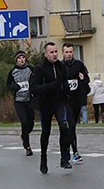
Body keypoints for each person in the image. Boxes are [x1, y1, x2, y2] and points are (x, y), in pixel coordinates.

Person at [30, 42, 73, 174]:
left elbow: (64, 81)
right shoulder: (39, 68)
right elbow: (33, 88)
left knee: (64, 127)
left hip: (59, 103)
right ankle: (43, 159)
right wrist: (49, 87)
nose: (54, 55)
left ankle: (64, 158)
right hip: (45, 105)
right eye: (52, 52)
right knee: (46, 133)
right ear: (46, 54)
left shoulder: (61, 66)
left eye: (56, 52)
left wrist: (66, 91)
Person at [61, 43, 89, 163]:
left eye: (71, 52)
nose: (69, 54)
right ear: (63, 53)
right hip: (65, 100)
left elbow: (87, 80)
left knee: (73, 126)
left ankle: (70, 147)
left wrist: (83, 78)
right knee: (70, 125)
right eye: (67, 52)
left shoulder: (79, 65)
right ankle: (75, 151)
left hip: (76, 99)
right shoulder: (60, 66)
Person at [6, 50, 35, 155]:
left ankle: (24, 135)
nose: (21, 60)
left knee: (31, 123)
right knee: (24, 122)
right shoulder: (13, 71)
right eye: (19, 58)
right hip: (19, 101)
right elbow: (8, 85)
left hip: (30, 100)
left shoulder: (31, 69)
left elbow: (38, 79)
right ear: (16, 60)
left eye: (23, 57)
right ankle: (27, 146)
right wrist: (14, 87)